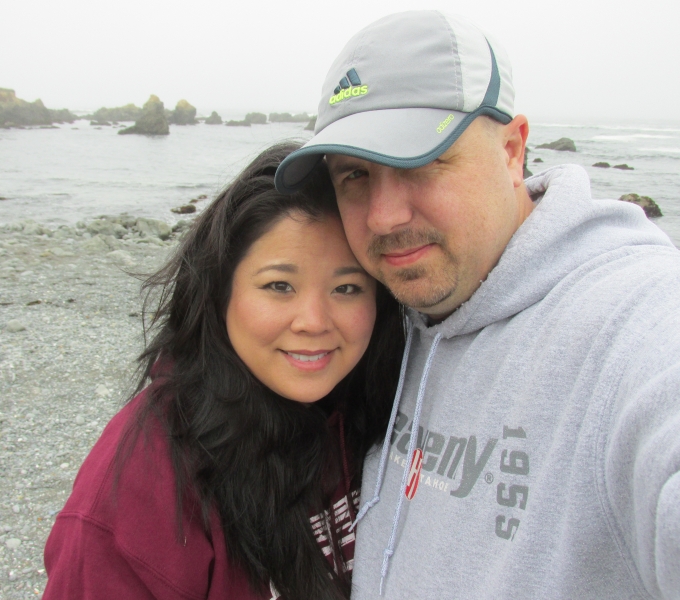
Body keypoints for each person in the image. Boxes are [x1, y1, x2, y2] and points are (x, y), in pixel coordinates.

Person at [275, 10, 680, 600]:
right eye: (355, 175)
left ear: (513, 150)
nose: (384, 218)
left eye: (422, 160)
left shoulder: (634, 321)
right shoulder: (375, 319)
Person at [42, 142, 405, 599]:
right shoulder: (143, 487)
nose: (314, 322)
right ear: (219, 290)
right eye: (279, 285)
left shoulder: (382, 407)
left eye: (347, 288)